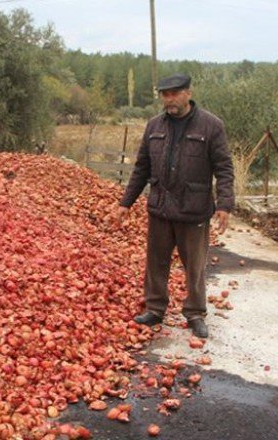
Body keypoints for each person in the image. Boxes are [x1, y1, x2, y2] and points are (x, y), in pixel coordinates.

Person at [114, 73, 234, 339]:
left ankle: (195, 313)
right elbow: (141, 168)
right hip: (160, 208)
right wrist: (126, 202)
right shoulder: (154, 126)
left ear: (188, 93)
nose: (169, 99)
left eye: (174, 94)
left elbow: (224, 168)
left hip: (193, 210)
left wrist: (224, 204)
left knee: (194, 265)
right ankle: (155, 308)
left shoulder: (211, 126)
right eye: (164, 95)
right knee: (156, 262)